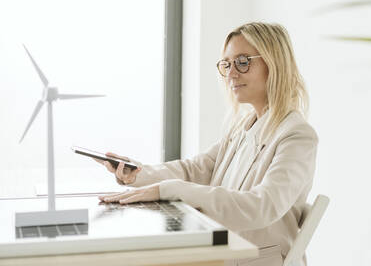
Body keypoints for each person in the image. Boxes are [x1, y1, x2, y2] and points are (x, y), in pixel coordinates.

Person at [97, 22, 318, 266]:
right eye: (227, 64)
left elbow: (261, 206)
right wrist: (138, 173)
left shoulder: (296, 135)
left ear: (275, 64)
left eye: (243, 62)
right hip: (224, 255)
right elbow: (196, 169)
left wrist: (171, 189)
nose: (232, 74)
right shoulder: (242, 127)